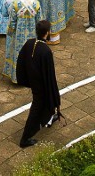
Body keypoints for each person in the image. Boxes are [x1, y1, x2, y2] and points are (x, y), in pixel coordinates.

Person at [15, 20, 61, 149]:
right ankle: (25, 138)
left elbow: (20, 61)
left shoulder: (29, 43)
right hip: (41, 85)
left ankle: (51, 118)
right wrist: (52, 89)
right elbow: (50, 74)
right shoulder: (45, 51)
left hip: (34, 81)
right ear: (47, 33)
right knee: (37, 108)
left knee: (47, 103)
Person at [3, 0, 42, 83]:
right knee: (31, 55)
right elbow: (40, 22)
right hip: (32, 35)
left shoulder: (16, 4)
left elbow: (12, 22)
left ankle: (17, 77)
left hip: (18, 35)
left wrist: (10, 34)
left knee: (19, 55)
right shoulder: (36, 4)